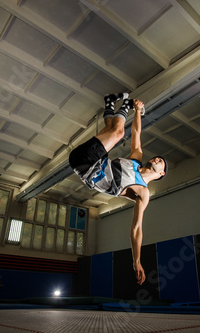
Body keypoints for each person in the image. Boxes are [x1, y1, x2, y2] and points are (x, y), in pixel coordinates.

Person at [69, 93, 168, 285]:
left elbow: (137, 228)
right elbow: (137, 134)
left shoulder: (142, 191)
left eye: (161, 162)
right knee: (112, 130)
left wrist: (136, 260)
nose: (157, 158)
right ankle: (112, 102)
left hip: (87, 167)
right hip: (91, 160)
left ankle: (124, 104)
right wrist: (138, 111)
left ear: (161, 174)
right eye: (157, 157)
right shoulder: (136, 158)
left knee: (117, 133)